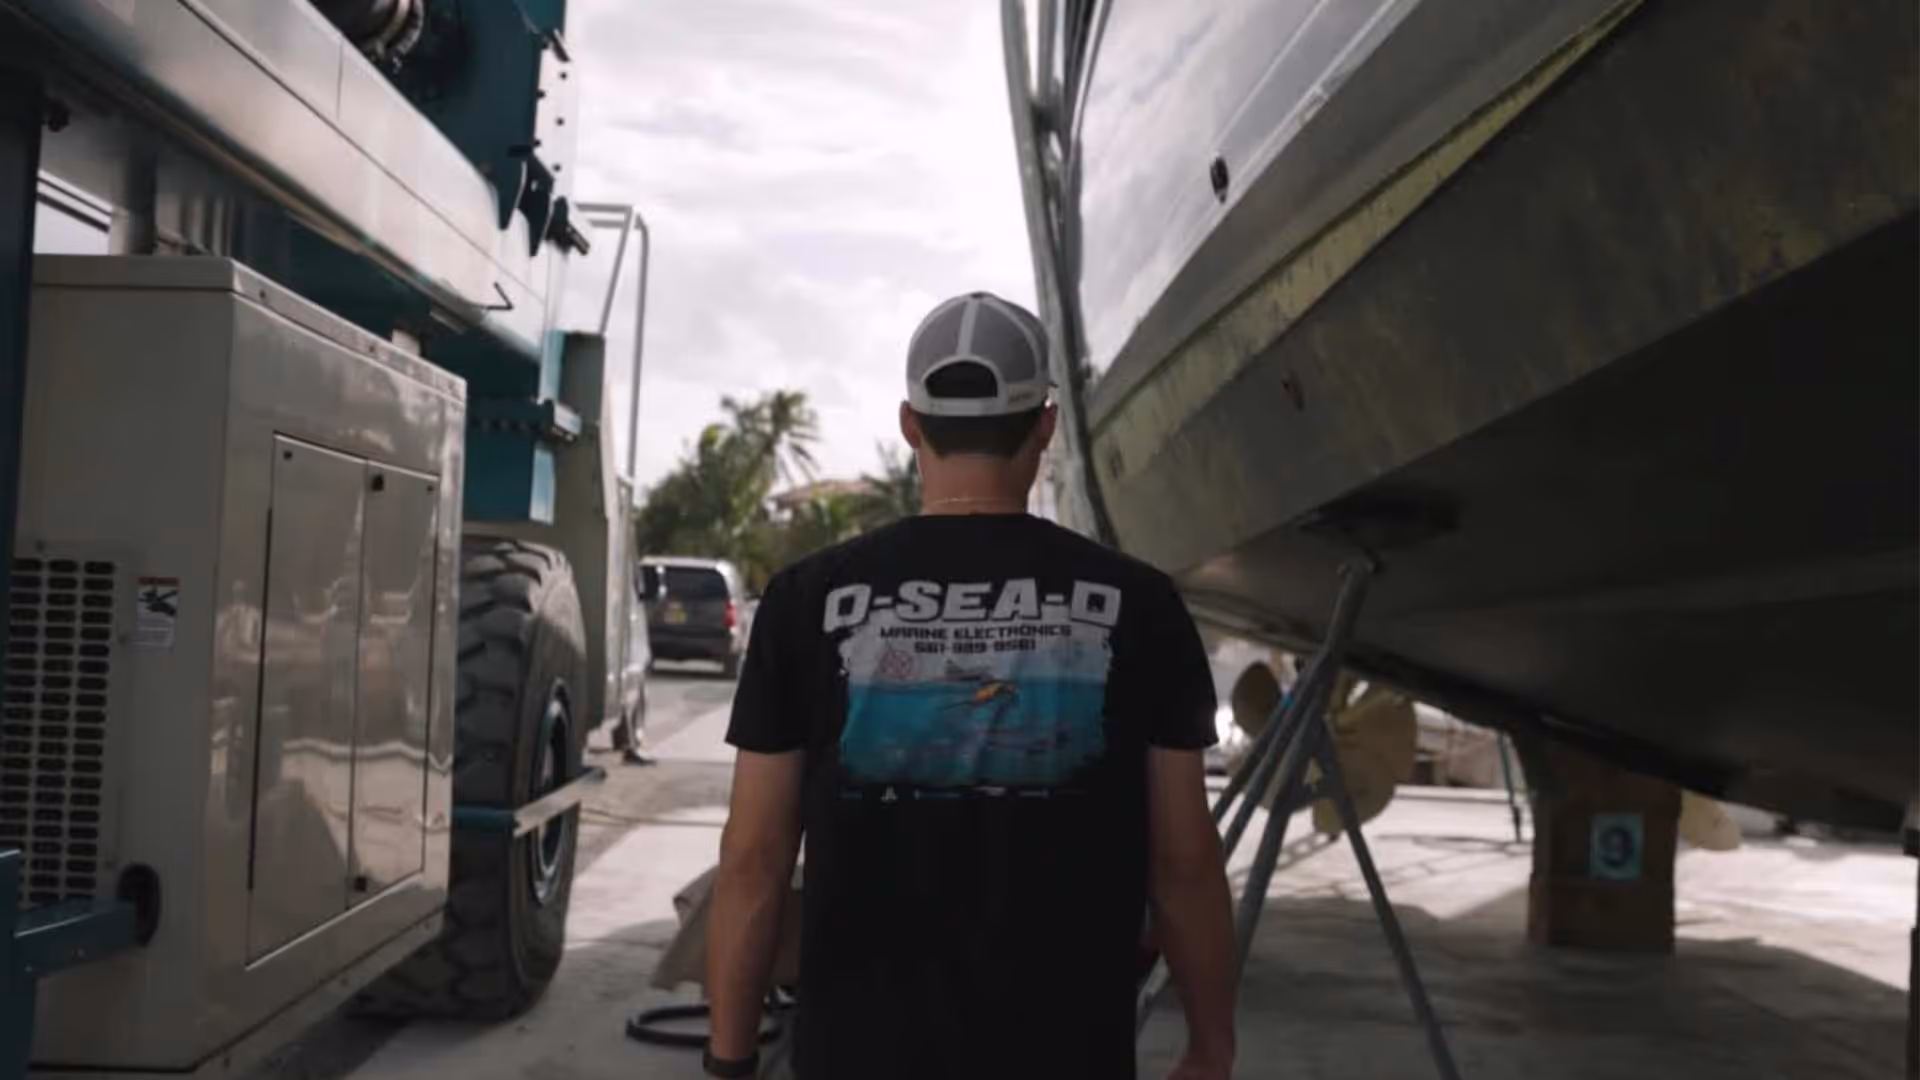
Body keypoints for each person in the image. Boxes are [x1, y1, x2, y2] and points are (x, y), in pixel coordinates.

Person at [704, 292, 1236, 1080]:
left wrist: (729, 1059)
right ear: (1046, 427)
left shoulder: (804, 600)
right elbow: (1184, 863)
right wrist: (1210, 1044)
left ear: (911, 425)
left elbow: (754, 859)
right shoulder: (1143, 605)